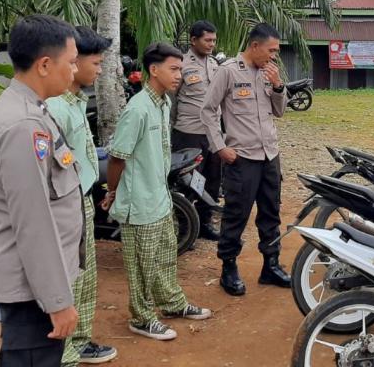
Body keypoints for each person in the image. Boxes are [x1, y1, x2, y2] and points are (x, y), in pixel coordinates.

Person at [0, 15, 83, 367]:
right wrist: (56, 300)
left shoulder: (32, 110)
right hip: (32, 291)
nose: (74, 71)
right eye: (71, 62)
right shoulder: (23, 125)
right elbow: (33, 221)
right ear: (44, 64)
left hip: (35, 284)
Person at [101, 42, 211, 341]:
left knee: (165, 257)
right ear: (154, 70)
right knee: (142, 267)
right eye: (174, 69)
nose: (179, 75)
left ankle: (172, 303)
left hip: (160, 198)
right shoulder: (137, 109)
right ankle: (141, 317)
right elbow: (117, 157)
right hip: (139, 204)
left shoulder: (162, 104)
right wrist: (112, 192)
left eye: (181, 69)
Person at [200, 23, 291, 296]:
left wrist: (278, 86)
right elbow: (208, 110)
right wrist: (219, 147)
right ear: (255, 46)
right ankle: (228, 268)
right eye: (271, 50)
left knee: (271, 212)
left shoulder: (269, 73)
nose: (274, 56)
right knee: (236, 214)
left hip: (269, 155)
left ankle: (270, 265)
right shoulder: (228, 71)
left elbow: (281, 111)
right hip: (242, 158)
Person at [46, 27, 117, 366]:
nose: (98, 70)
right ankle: (66, 351)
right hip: (66, 203)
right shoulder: (57, 108)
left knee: (86, 276)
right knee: (72, 278)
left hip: (82, 197)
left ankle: (80, 340)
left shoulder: (75, 102)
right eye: (96, 63)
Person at [171, 20, 221, 241]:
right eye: (207, 40)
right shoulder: (180, 64)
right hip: (188, 132)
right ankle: (186, 228)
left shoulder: (214, 65)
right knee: (188, 180)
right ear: (193, 40)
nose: (211, 44)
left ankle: (205, 223)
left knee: (211, 179)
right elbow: (171, 100)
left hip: (213, 134)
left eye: (214, 40)